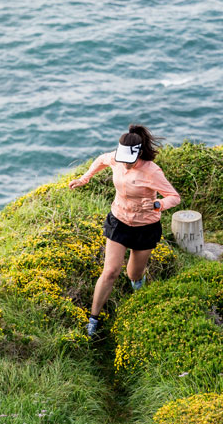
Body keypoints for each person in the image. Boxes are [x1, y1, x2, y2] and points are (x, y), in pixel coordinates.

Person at [69, 124, 180, 337]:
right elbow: (101, 160)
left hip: (145, 226)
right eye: (123, 161)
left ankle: (139, 302)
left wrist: (158, 205)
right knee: (110, 271)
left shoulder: (152, 171)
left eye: (130, 162)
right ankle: (93, 320)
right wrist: (85, 178)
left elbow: (174, 196)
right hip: (118, 220)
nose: (126, 165)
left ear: (138, 154)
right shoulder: (117, 158)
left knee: (134, 274)